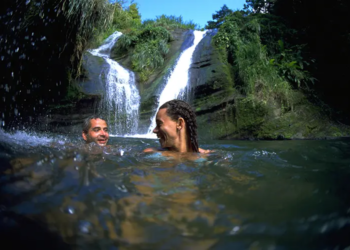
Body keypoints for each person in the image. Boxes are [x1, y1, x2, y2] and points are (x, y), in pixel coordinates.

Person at [144, 99, 210, 154]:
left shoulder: (206, 155)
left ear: (179, 123)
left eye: (159, 124)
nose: (154, 130)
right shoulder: (152, 153)